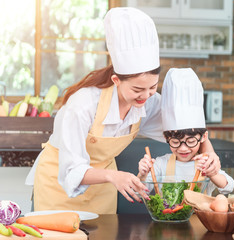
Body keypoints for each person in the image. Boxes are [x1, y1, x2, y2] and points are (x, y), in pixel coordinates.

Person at [25, 8, 221, 214]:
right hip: (58, 185)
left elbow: (184, 131)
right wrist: (114, 176)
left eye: (153, 87)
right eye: (137, 89)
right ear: (116, 81)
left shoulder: (150, 102)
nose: (146, 96)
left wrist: (210, 154)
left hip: (103, 190)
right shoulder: (82, 104)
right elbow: (72, 170)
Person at [138, 68, 234, 195]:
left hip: (200, 216)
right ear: (166, 138)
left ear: (204, 137)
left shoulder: (205, 164)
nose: (183, 148)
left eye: (190, 141)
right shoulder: (161, 164)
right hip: (169, 215)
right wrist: (142, 174)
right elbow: (139, 192)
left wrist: (212, 174)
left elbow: (229, 187)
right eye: (176, 142)